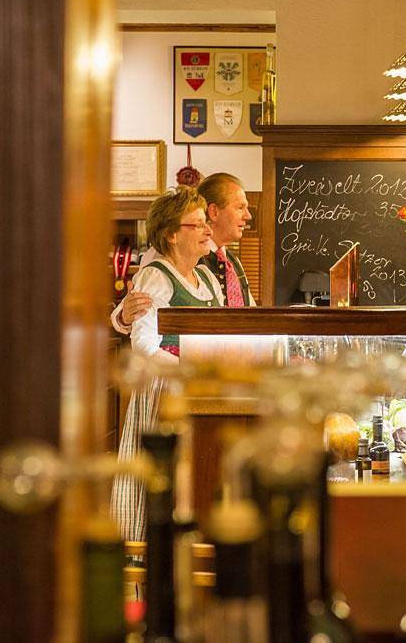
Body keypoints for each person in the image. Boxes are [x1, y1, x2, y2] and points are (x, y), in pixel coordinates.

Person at [111, 186, 225, 542]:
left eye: (208, 222)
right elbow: (144, 346)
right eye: (199, 223)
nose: (208, 230)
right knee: (161, 482)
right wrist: (188, 373)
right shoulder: (154, 277)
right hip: (164, 398)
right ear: (172, 234)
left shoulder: (207, 278)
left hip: (201, 397)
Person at [112, 172, 255, 331]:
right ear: (213, 212)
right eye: (240, 207)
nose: (248, 216)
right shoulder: (168, 253)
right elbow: (136, 305)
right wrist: (123, 318)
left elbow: (249, 313)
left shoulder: (233, 263)